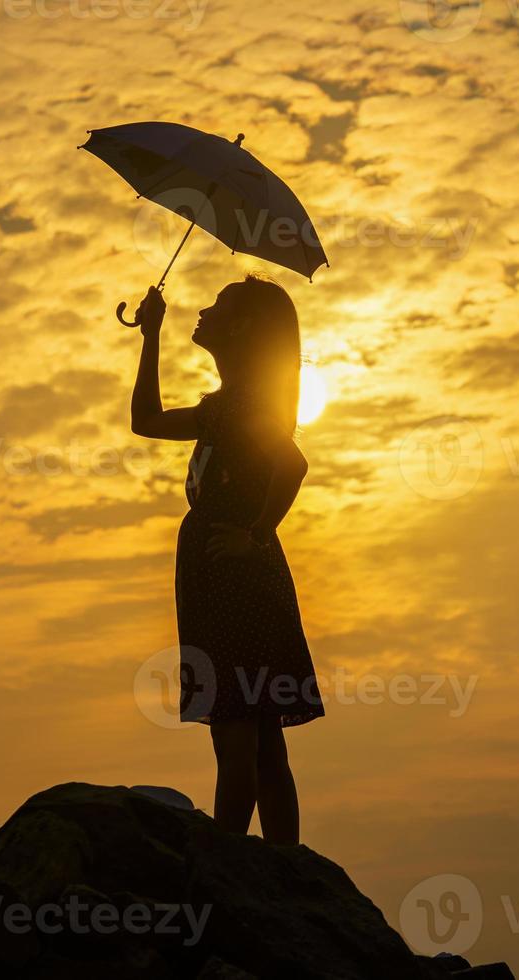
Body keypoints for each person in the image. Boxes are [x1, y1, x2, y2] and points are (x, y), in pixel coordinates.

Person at [129, 275, 324, 846]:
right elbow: (145, 421)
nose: (205, 309)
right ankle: (284, 868)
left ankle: (227, 867)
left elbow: (293, 465)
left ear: (239, 327)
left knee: (238, 731)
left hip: (237, 574)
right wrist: (151, 335)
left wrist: (255, 533)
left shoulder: (244, 405)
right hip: (226, 570)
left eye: (218, 304)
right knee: (261, 736)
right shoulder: (228, 405)